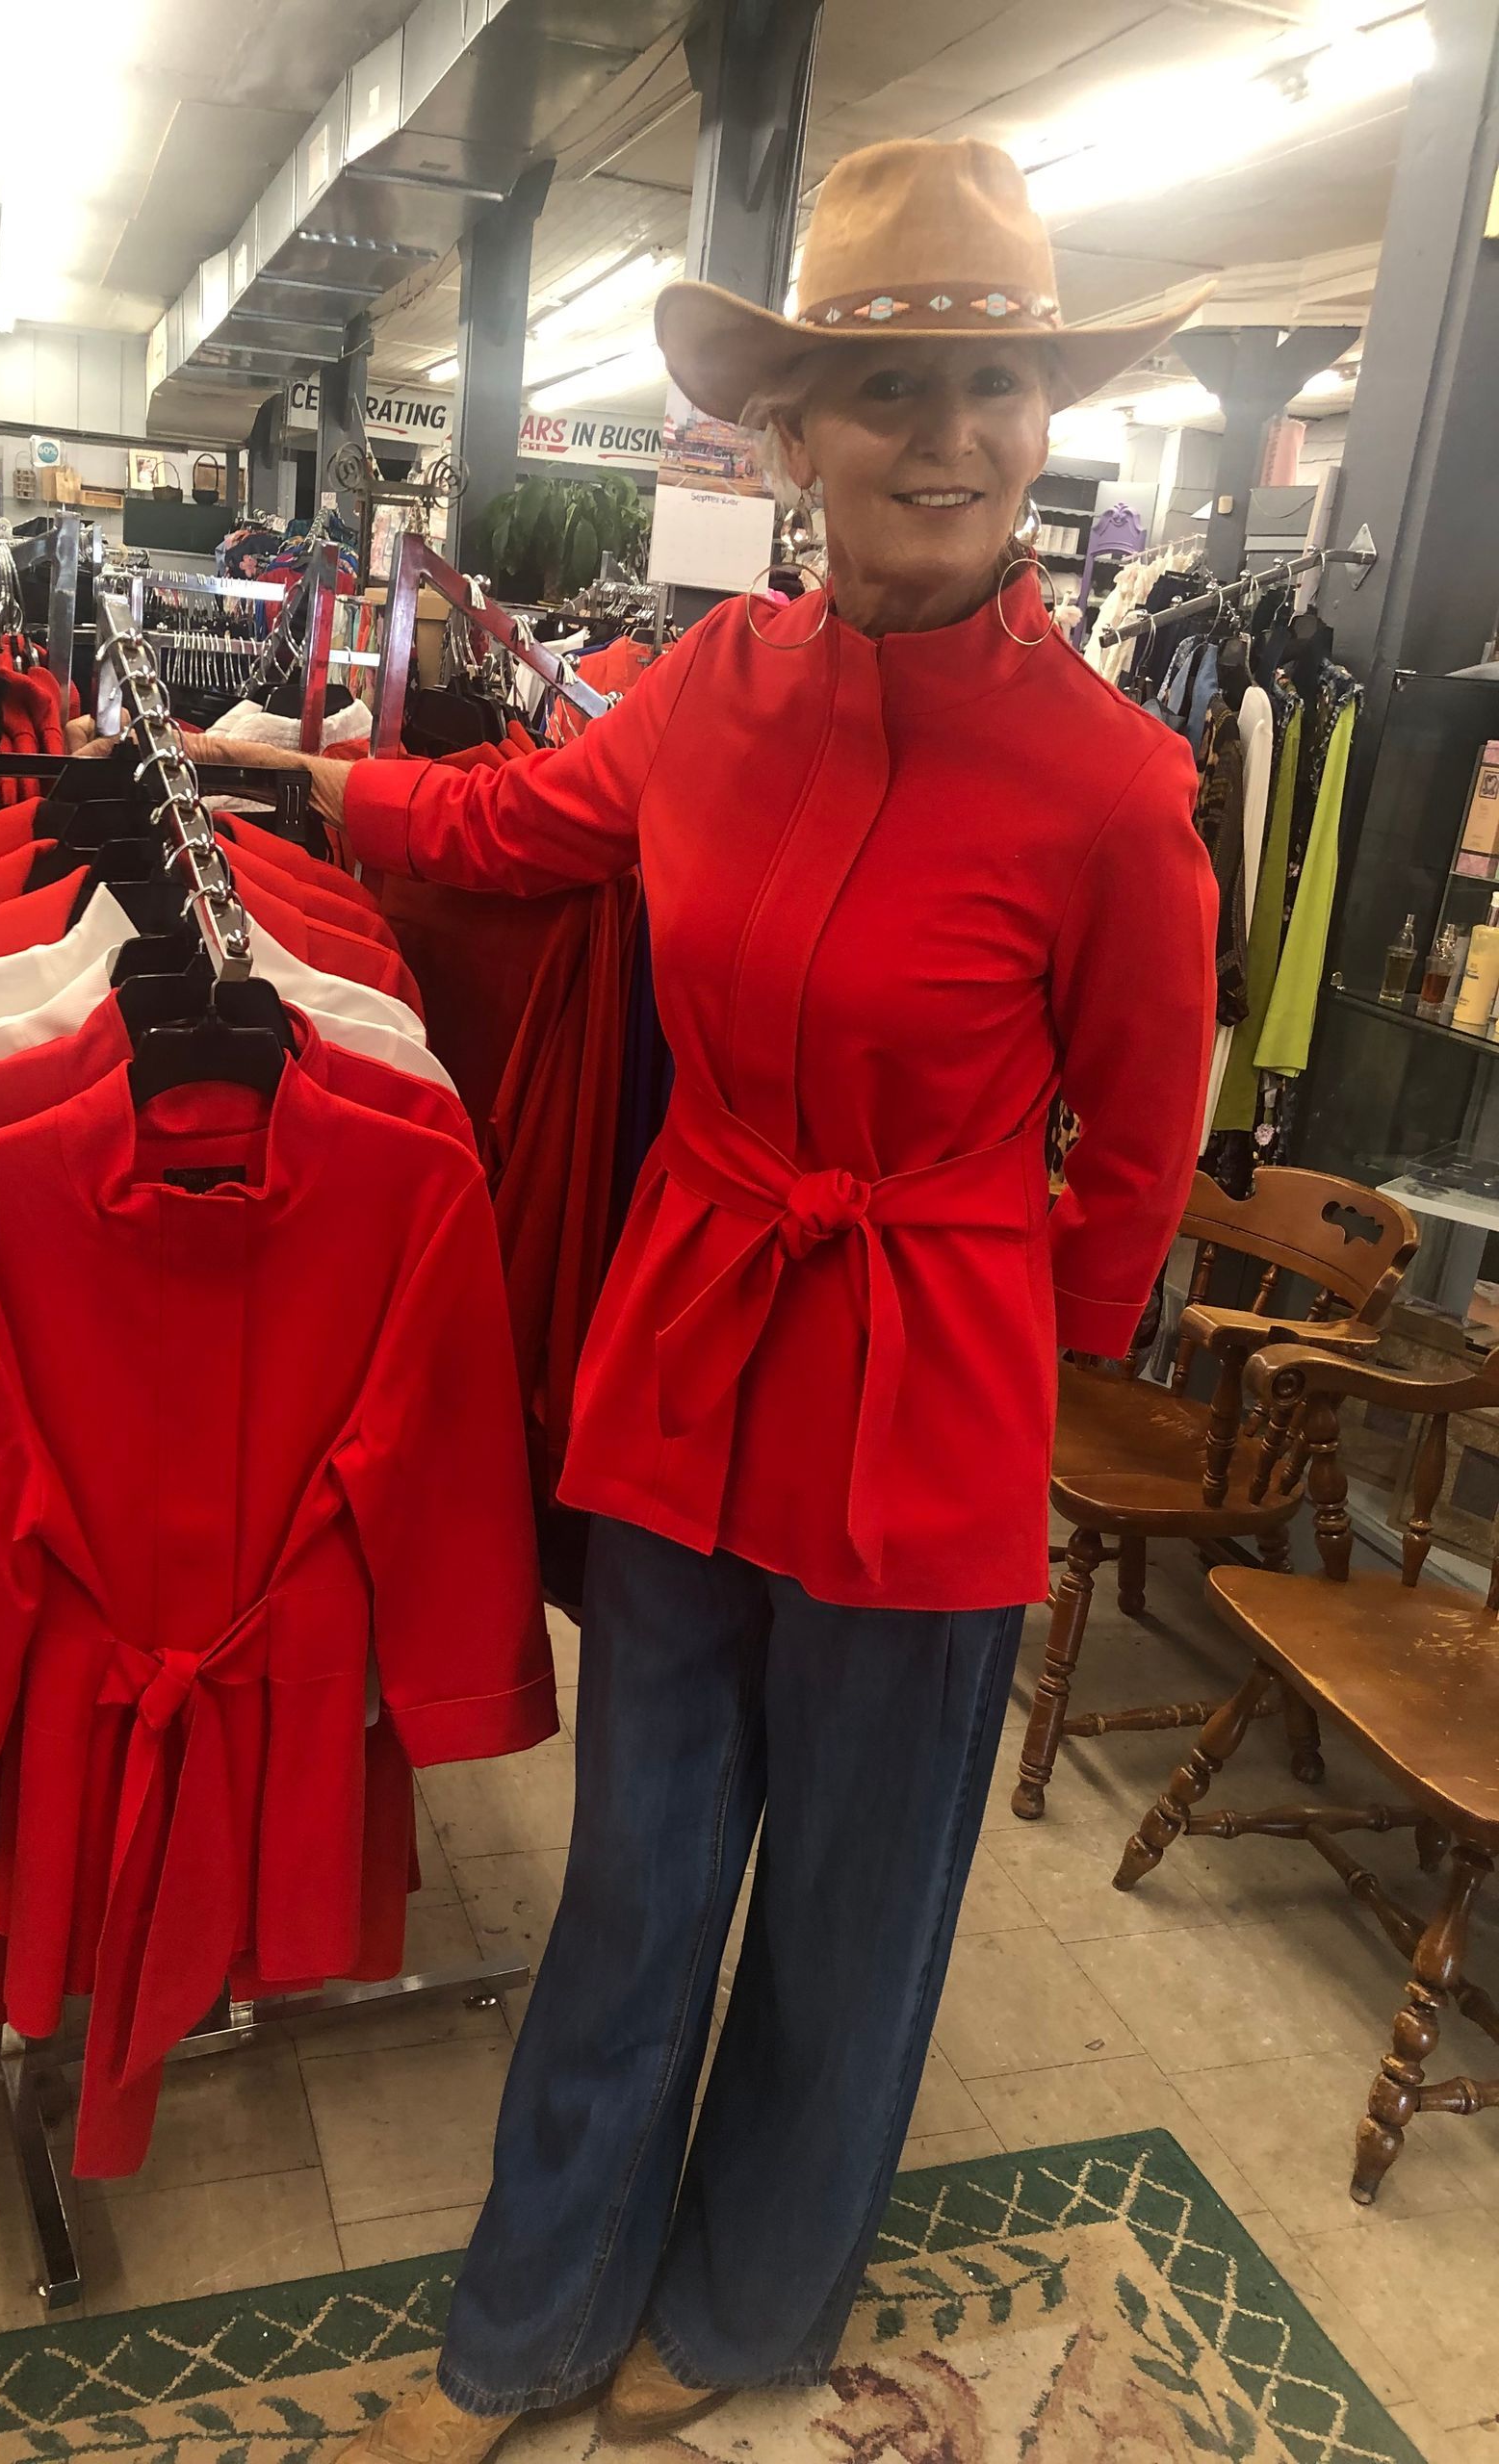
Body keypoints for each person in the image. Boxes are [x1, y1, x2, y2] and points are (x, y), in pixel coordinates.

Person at [91, 138, 1220, 2461]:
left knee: (857, 1908)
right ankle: (532, 2317)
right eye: (884, 389)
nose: (946, 434)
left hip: (929, 1399)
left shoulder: (1124, 787)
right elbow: (528, 823)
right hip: (697, 1355)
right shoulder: (710, 683)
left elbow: (1136, 1146)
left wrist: (1039, 1357)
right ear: (788, 433)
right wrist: (308, 779)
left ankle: (747, 2309)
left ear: (1042, 426)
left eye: (994, 382)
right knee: (637, 1875)